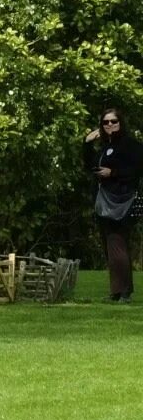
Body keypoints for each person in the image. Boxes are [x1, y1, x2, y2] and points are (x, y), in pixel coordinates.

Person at [87, 109, 139, 302]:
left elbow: (136, 170)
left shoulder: (130, 144)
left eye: (113, 121)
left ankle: (123, 291)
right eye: (105, 122)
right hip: (104, 201)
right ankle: (118, 291)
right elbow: (88, 166)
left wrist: (113, 173)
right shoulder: (104, 147)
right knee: (110, 244)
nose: (109, 125)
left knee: (117, 243)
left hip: (122, 201)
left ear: (121, 122)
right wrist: (87, 144)